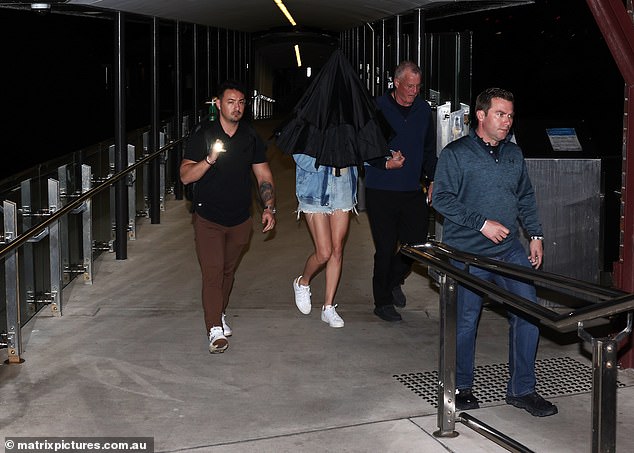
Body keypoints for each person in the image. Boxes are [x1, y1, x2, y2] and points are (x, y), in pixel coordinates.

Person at [432, 87, 557, 417]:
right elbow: (441, 199)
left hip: (509, 251)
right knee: (465, 322)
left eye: (511, 115)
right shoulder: (456, 154)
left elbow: (525, 197)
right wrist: (480, 223)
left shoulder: (514, 154)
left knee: (529, 313)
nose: (507, 121)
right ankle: (460, 387)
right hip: (468, 254)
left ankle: (522, 390)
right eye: (501, 114)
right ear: (481, 115)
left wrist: (536, 235)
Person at [180, 80, 276, 354]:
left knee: (227, 271)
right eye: (231, 102)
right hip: (208, 216)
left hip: (240, 218)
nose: (237, 107)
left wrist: (269, 207)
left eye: (241, 102)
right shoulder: (203, 134)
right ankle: (214, 330)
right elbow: (185, 176)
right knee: (212, 273)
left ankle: (218, 311)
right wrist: (209, 159)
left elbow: (264, 175)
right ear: (218, 104)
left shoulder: (249, 136)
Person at [364, 60, 437, 322]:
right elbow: (363, 148)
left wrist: (432, 179)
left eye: (418, 86)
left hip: (411, 189)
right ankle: (382, 302)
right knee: (385, 247)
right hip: (380, 188)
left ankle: (393, 280)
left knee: (416, 245)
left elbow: (429, 150)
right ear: (396, 83)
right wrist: (384, 162)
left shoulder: (423, 111)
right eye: (409, 86)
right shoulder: (376, 108)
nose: (414, 91)